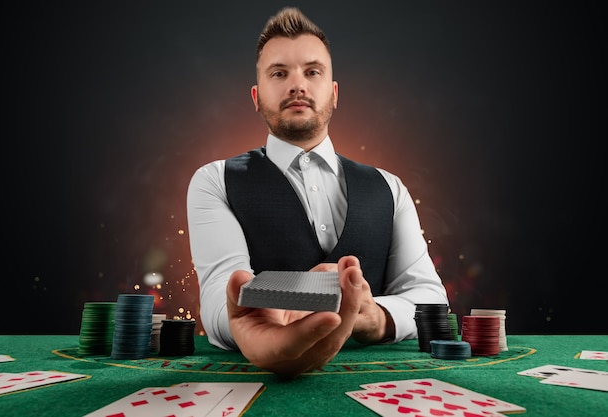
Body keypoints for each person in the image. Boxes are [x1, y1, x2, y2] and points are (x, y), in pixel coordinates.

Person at [186, 7, 449, 378]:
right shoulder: (214, 181)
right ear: (256, 96)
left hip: (379, 379)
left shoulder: (391, 188)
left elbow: (429, 297)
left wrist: (378, 318)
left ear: (334, 92)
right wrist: (259, 327)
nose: (298, 85)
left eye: (312, 72)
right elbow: (217, 296)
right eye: (279, 73)